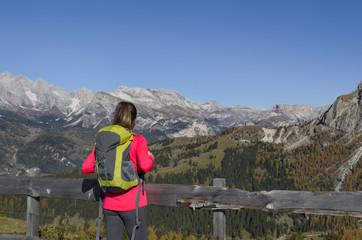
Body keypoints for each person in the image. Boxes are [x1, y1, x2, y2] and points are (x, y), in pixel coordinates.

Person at [82, 101, 154, 240]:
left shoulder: (104, 142)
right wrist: (151, 157)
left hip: (109, 204)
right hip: (132, 204)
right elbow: (145, 166)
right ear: (134, 120)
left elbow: (86, 167)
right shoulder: (137, 140)